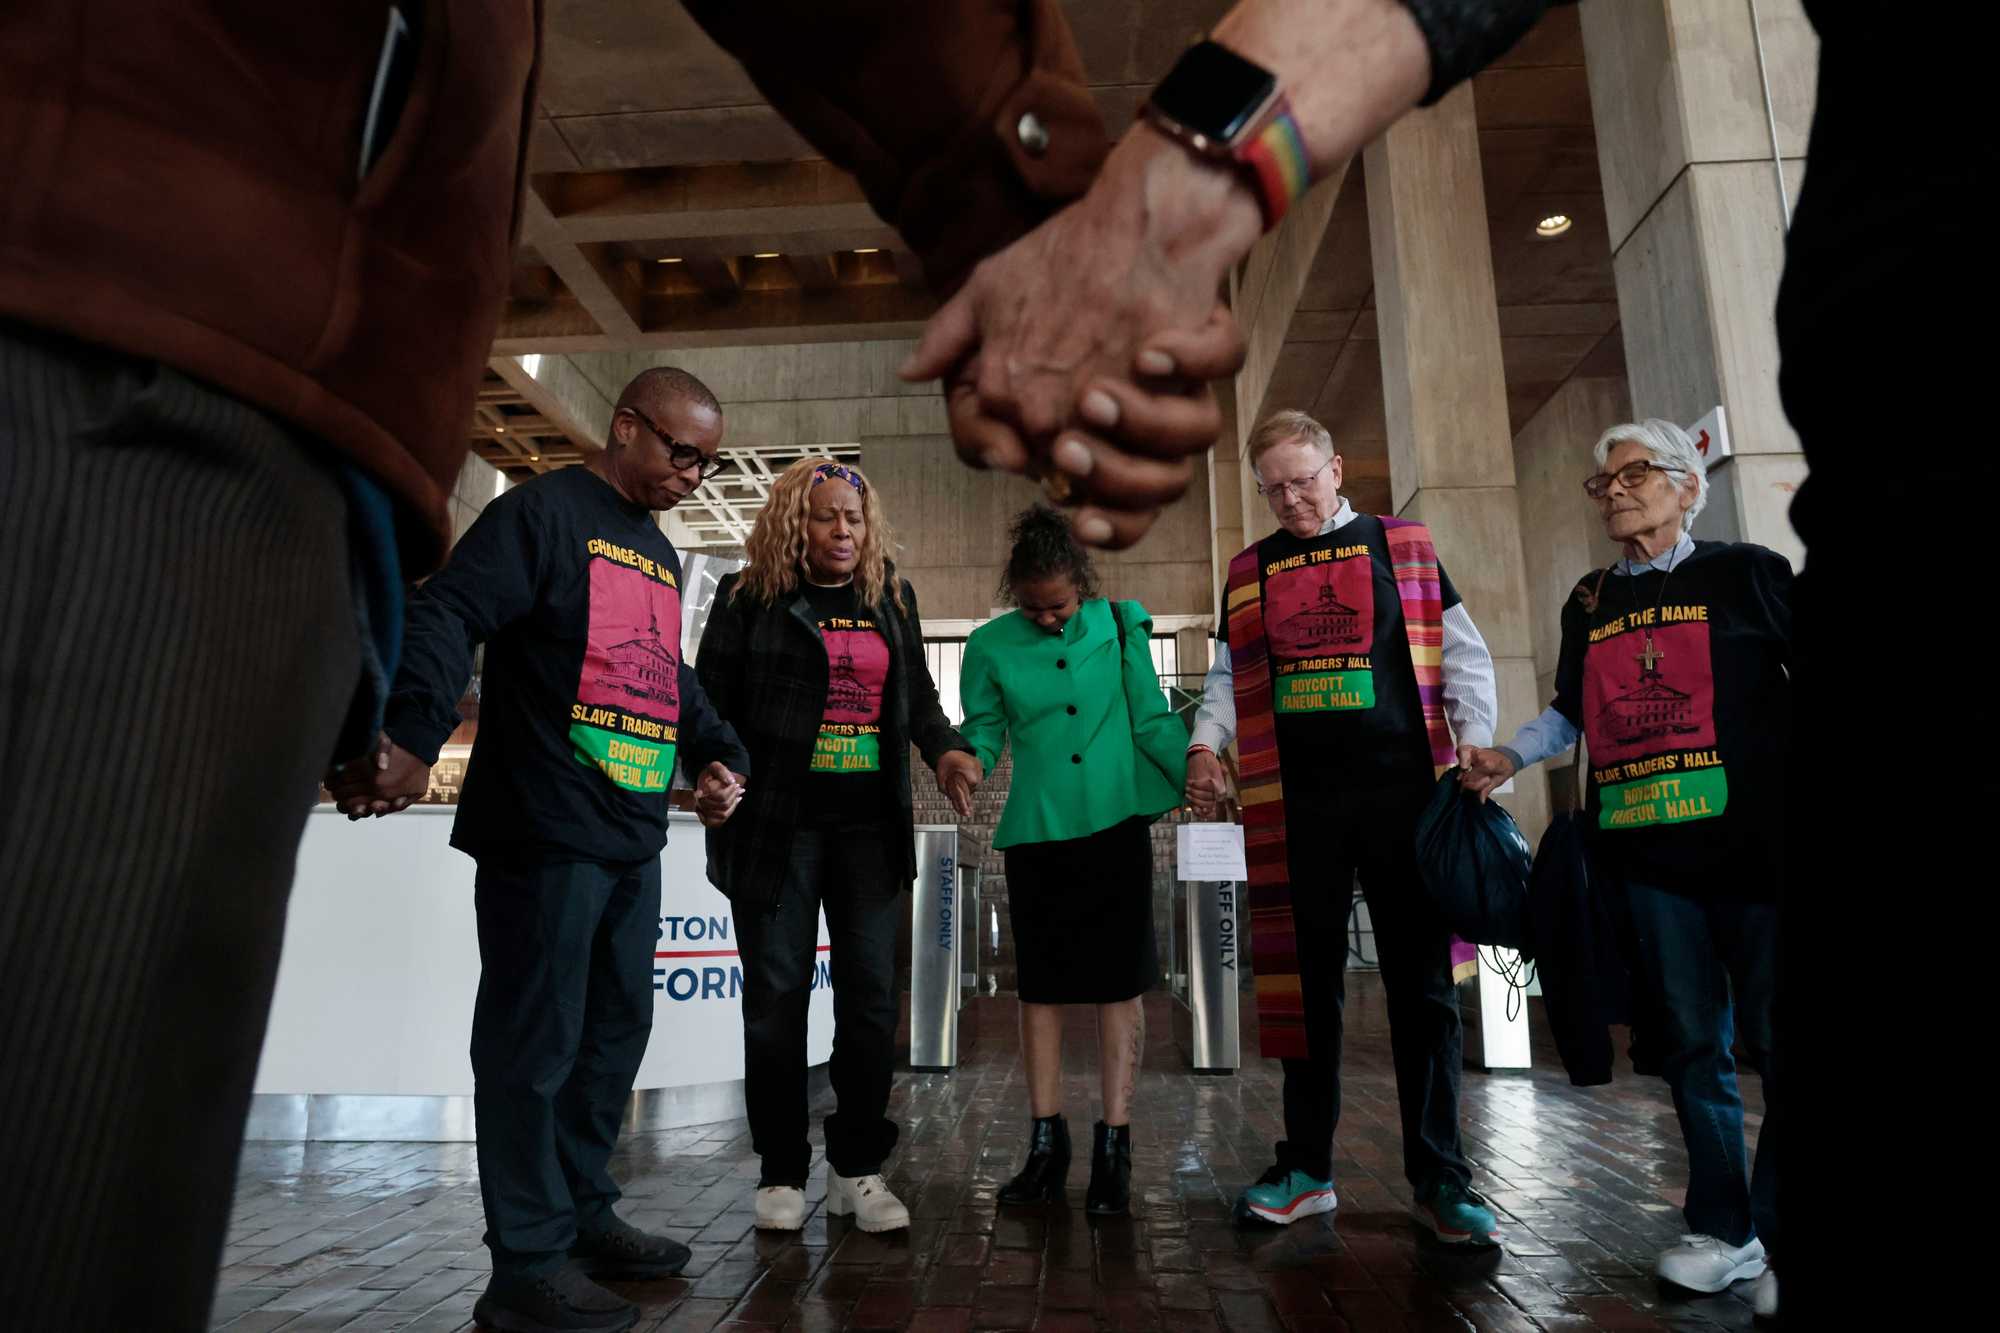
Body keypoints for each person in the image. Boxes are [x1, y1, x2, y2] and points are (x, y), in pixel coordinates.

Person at [327, 367, 751, 1333]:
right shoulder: (541, 514)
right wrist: (412, 733)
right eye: (682, 452)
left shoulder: (655, 548)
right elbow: (448, 613)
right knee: (533, 1047)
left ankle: (581, 1215)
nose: (693, 476)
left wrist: (720, 750)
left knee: (611, 1038)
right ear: (626, 426)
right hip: (544, 827)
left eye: (708, 463)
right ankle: (524, 1263)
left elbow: (663, 672)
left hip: (629, 834)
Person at [1460, 420, 1789, 1304]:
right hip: (1646, 857)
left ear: (1688, 485)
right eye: (1602, 482)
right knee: (1689, 1045)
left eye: (1634, 474)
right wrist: (1511, 756)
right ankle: (1726, 1229)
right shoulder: (1590, 597)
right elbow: (1573, 707)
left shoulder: (1751, 573)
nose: (1614, 491)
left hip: (1756, 852)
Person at [1183, 411, 1501, 1243]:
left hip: (1407, 802)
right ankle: (1308, 1169)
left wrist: (1475, 740)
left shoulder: (1403, 545)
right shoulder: (1251, 570)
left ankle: (1442, 1179)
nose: (1290, 498)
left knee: (1424, 993)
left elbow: (1462, 653)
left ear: (1336, 465)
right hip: (1298, 810)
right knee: (1301, 991)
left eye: (1303, 478)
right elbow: (1226, 673)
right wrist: (1203, 746)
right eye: (1273, 487)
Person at [694, 458, 982, 1234]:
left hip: (866, 830)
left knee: (870, 1001)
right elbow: (708, 707)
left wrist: (946, 748)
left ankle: (857, 1166)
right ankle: (781, 1169)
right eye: (827, 516)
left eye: (855, 517)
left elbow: (917, 695)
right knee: (776, 1000)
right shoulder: (747, 599)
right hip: (777, 831)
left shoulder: (890, 597)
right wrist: (709, 773)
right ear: (797, 522)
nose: (845, 530)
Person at [955, 507, 1188, 1216]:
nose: (1048, 619)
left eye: (1058, 605)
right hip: (1038, 831)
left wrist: (1202, 773)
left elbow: (1149, 718)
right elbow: (985, 730)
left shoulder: (1120, 625)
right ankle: (1046, 1145)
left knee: (1120, 987)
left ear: (1082, 586)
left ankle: (1114, 1148)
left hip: (1116, 825)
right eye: (1032, 607)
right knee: (1043, 991)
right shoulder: (990, 646)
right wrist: (966, 760)